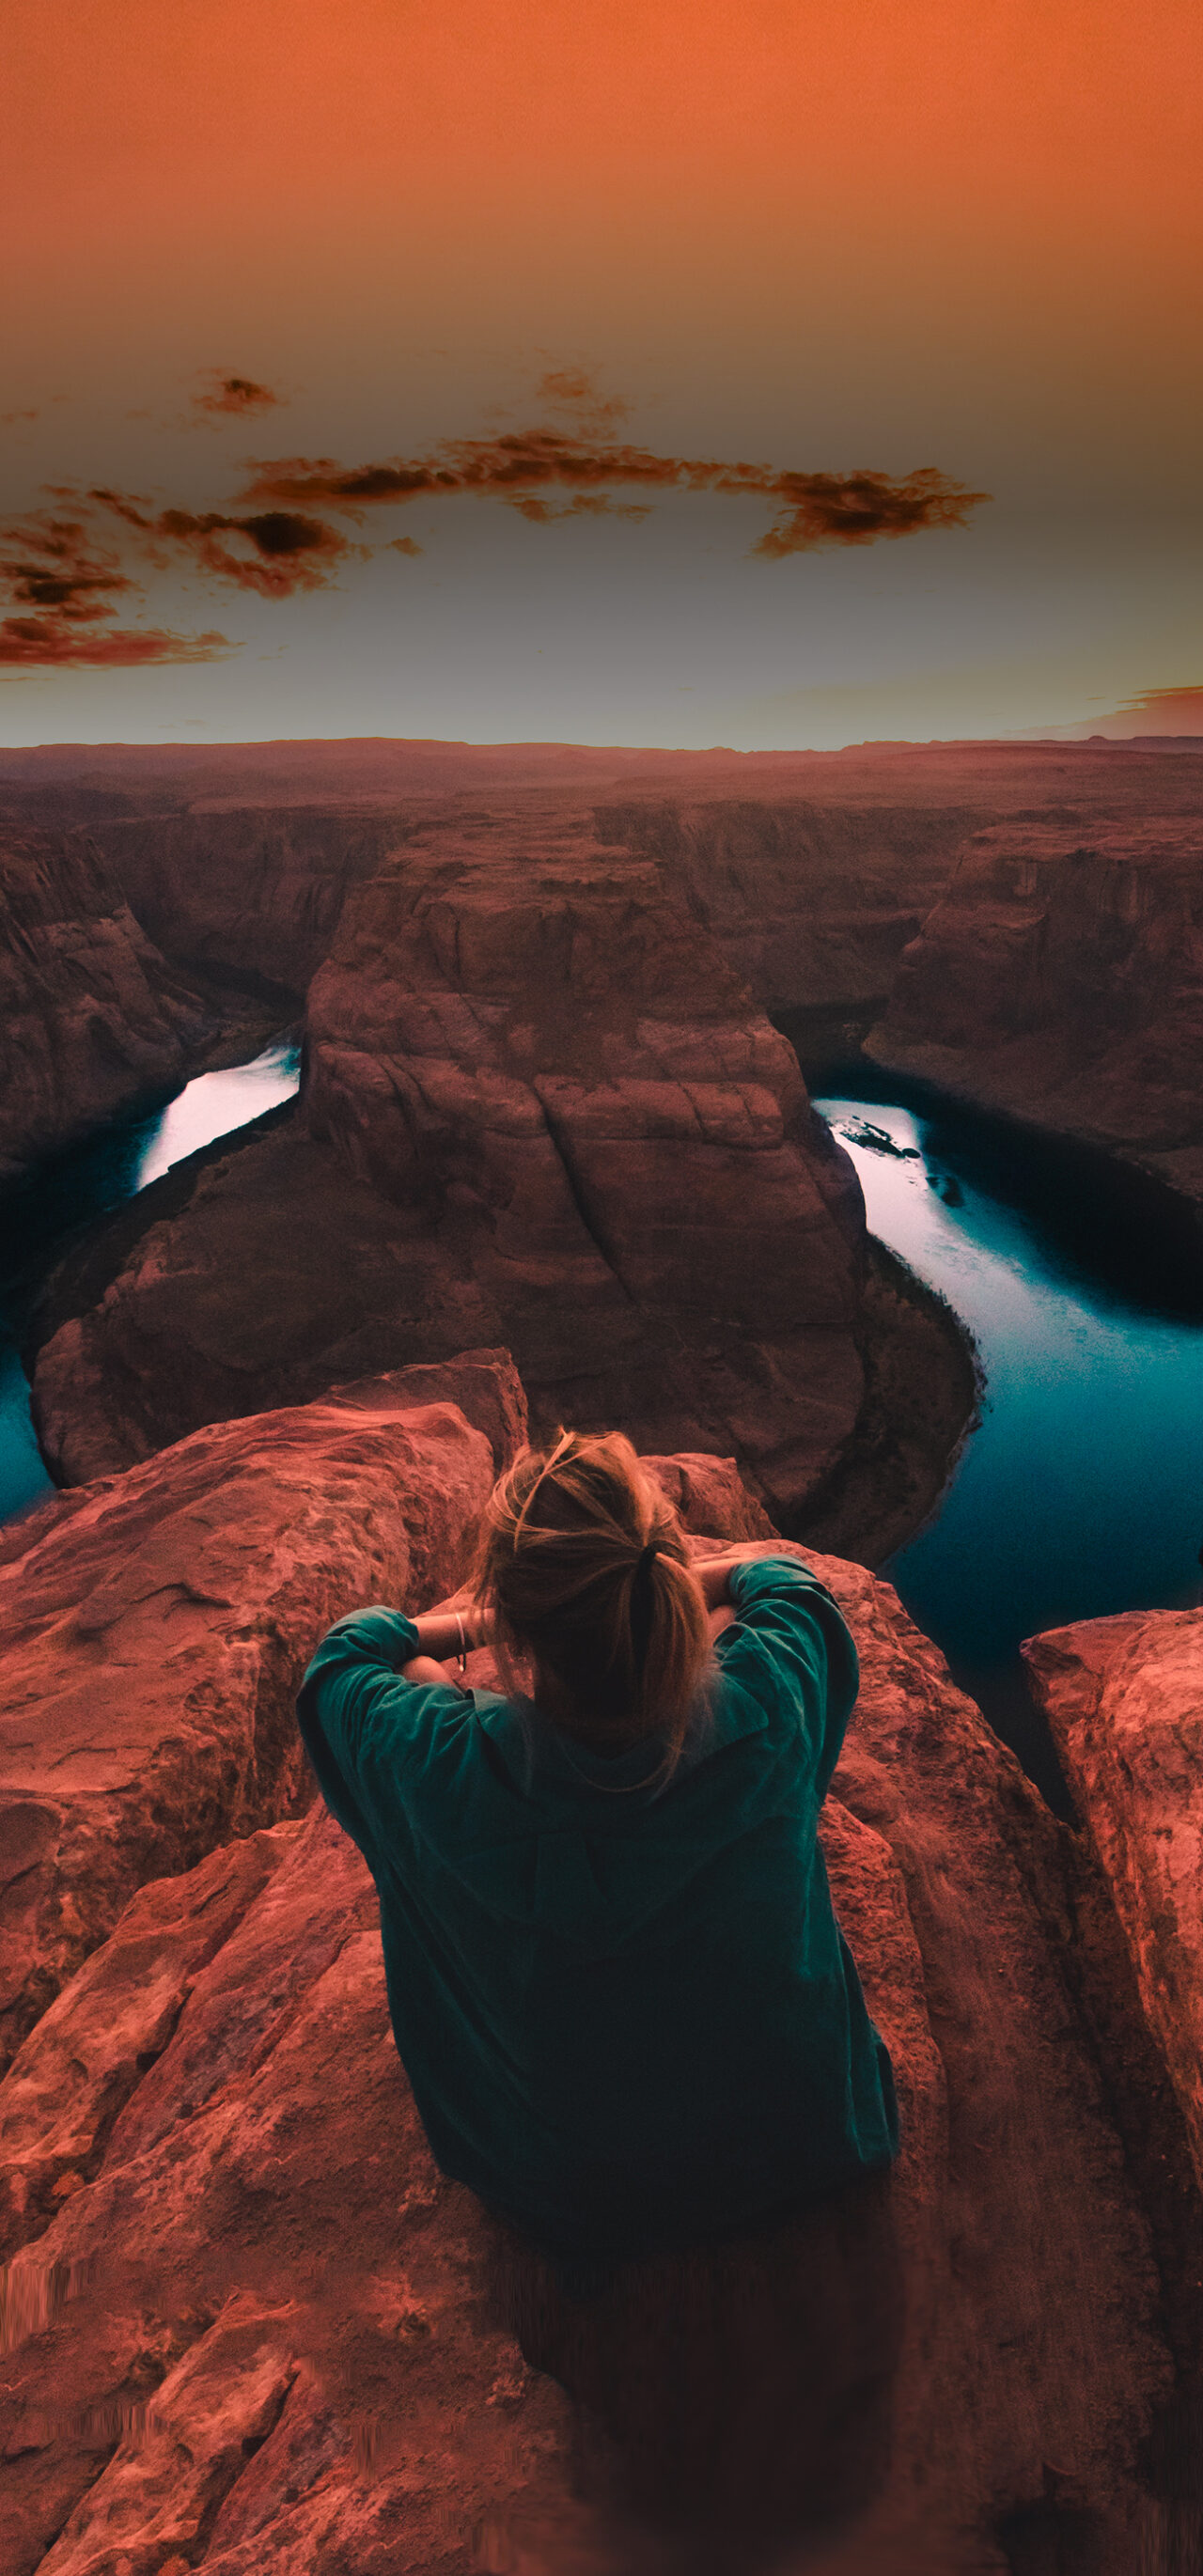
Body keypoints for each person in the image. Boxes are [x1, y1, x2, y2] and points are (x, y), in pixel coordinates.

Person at [295, 1427, 899, 2274]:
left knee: (433, 1710)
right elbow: (783, 1583)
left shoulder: (439, 1768)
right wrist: (652, 1584)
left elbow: (350, 1653)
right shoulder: (772, 1697)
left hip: (572, 2193)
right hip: (799, 2139)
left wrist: (473, 1637)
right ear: (657, 1579)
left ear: (522, 1630)